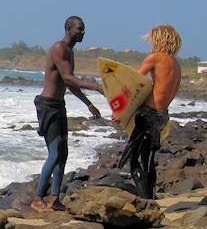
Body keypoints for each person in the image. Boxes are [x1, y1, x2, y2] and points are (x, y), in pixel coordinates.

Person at [31, 16, 104, 212]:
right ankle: (38, 197)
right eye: (79, 29)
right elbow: (68, 77)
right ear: (68, 29)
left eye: (84, 29)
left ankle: (55, 198)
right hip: (48, 106)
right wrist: (96, 86)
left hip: (59, 105)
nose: (83, 32)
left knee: (63, 154)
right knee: (54, 154)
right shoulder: (59, 48)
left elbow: (70, 84)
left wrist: (89, 105)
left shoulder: (70, 53)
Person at [115, 25, 182, 199]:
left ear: (159, 39)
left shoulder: (155, 58)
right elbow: (173, 92)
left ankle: (145, 200)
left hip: (147, 115)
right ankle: (150, 198)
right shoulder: (176, 65)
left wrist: (121, 111)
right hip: (162, 116)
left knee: (133, 159)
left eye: (152, 39)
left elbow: (133, 84)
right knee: (148, 160)